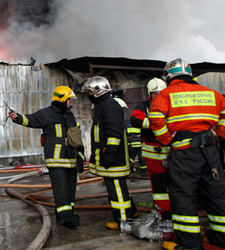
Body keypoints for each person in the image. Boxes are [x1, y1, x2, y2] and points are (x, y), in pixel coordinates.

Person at [148, 58, 225, 250]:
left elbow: (155, 118)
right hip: (210, 152)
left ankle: (190, 244)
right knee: (217, 195)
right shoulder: (212, 94)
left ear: (168, 76)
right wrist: (218, 133)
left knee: (184, 197)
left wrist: (166, 139)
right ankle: (221, 240)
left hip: (183, 153)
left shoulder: (165, 95)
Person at [9, 86, 84, 229]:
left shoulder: (69, 115)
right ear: (62, 100)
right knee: (61, 190)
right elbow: (30, 120)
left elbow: (76, 137)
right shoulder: (46, 114)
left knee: (70, 190)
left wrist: (80, 155)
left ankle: (68, 213)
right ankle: (65, 218)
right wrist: (17, 117)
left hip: (71, 159)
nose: (70, 102)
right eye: (68, 100)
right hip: (56, 160)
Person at [81, 76, 138, 230]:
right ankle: (131, 212)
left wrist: (111, 152)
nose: (89, 96)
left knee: (117, 190)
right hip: (109, 156)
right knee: (117, 188)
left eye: (91, 92)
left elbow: (114, 131)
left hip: (114, 157)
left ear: (98, 92)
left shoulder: (110, 106)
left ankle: (124, 221)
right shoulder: (103, 105)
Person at [130, 77, 171, 220]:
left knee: (176, 184)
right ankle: (163, 211)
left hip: (173, 152)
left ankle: (177, 208)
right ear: (149, 94)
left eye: (161, 92)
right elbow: (135, 119)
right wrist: (156, 123)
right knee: (159, 186)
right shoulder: (144, 107)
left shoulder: (172, 104)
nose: (158, 96)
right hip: (153, 153)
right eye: (155, 93)